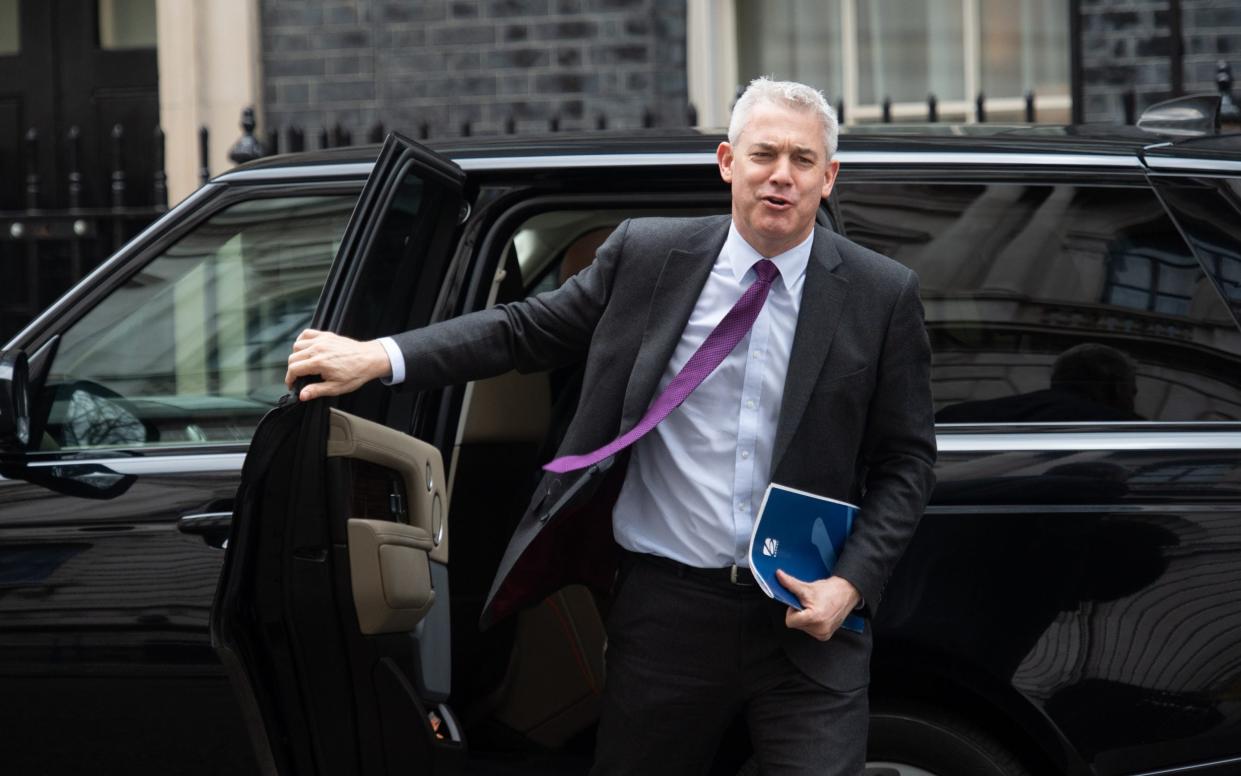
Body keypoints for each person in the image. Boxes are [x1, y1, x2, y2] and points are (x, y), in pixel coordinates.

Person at [285, 77, 936, 776]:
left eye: (802, 161)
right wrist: (379, 355)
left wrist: (850, 583)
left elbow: (906, 461)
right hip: (667, 611)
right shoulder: (650, 257)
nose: (781, 176)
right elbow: (522, 330)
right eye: (763, 154)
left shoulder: (879, 293)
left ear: (828, 176)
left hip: (808, 616)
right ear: (726, 161)